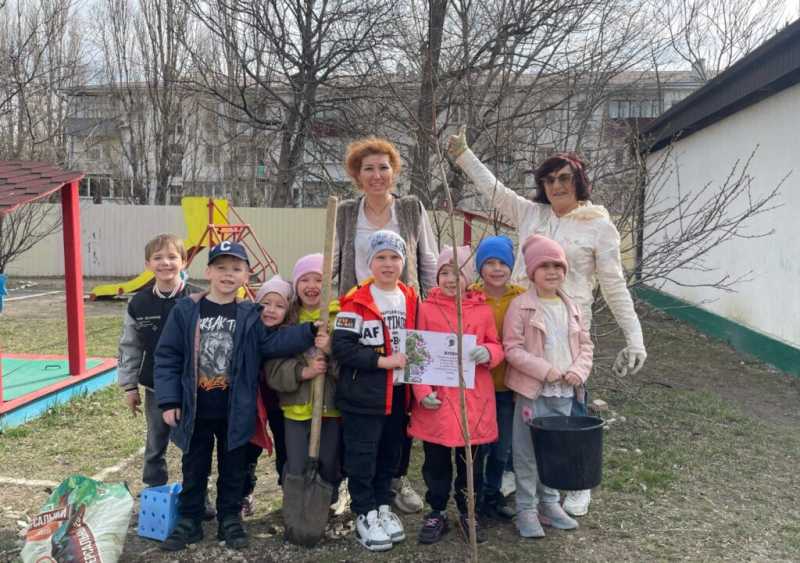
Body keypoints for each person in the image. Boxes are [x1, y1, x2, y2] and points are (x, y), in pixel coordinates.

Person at [448, 129, 647, 515]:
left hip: (568, 326)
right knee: (520, 396)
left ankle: (574, 480)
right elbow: (495, 191)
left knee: (569, 401)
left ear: (578, 181)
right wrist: (463, 154)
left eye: (564, 178)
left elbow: (613, 283)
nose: (556, 185)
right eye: (549, 179)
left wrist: (634, 337)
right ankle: (513, 471)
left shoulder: (597, 224)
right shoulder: (531, 213)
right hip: (523, 319)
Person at [154, 241, 323, 551]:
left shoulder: (249, 314)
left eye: (236, 269)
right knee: (195, 466)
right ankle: (189, 519)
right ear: (208, 271)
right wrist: (169, 401)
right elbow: (167, 356)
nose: (228, 274)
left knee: (234, 467)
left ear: (247, 276)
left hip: (235, 408)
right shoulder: (187, 309)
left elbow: (273, 343)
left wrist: (309, 330)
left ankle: (229, 518)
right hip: (195, 408)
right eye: (221, 267)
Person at [334, 136, 434, 514]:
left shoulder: (410, 208)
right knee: (362, 398)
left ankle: (395, 479)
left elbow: (426, 261)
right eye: (368, 168)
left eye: (383, 167)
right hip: (360, 317)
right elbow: (336, 263)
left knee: (401, 404)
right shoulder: (346, 212)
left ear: (394, 172)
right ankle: (356, 482)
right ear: (357, 175)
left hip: (403, 314)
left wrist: (431, 310)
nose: (377, 175)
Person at [408, 246, 503, 545]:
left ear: (469, 277)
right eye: (445, 273)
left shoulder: (482, 309)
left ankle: (468, 511)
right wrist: (422, 392)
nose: (451, 279)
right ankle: (436, 510)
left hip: (473, 402)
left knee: (471, 463)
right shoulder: (425, 308)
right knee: (435, 463)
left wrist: (488, 351)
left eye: (458, 273)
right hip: (437, 401)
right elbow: (416, 352)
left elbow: (497, 345)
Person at [332, 230, 418, 552]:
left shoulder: (410, 297)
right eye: (380, 257)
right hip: (363, 396)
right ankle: (364, 511)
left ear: (403, 262)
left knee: (390, 453)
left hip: (398, 395)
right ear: (370, 263)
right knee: (362, 454)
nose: (388, 263)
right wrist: (382, 362)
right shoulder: (356, 301)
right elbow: (341, 347)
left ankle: (383, 505)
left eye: (395, 257)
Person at [503, 235, 594, 538]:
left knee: (556, 450)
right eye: (544, 266)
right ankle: (526, 507)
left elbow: (585, 346)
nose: (552, 272)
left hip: (565, 393)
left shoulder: (573, 307)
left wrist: (578, 371)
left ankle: (550, 502)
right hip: (534, 393)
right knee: (528, 451)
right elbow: (512, 349)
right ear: (532, 272)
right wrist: (545, 371)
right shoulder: (521, 306)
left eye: (558, 265)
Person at [117, 235, 196, 492]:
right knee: (156, 440)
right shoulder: (138, 303)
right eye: (158, 257)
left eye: (172, 257)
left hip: (193, 385)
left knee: (195, 442)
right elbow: (130, 346)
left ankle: (196, 493)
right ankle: (154, 490)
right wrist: (129, 386)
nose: (165, 263)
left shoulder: (197, 298)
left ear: (184, 262)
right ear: (148, 264)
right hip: (155, 387)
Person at [265, 256, 342, 503]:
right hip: (295, 409)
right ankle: (296, 505)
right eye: (304, 279)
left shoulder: (340, 317)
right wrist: (302, 371)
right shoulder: (288, 319)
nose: (311, 285)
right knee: (296, 463)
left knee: (330, 460)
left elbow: (352, 367)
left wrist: (331, 352)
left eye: (319, 279)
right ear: (295, 284)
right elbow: (273, 369)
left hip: (330, 407)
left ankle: (326, 504)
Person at [468, 236, 525, 520]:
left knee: (502, 447)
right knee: (480, 446)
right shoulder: (469, 297)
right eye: (489, 262)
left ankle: (493, 496)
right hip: (478, 386)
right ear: (480, 267)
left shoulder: (522, 297)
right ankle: (474, 499)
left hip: (508, 386)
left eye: (502, 262)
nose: (496, 268)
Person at [240, 275, 293, 517]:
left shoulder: (289, 334)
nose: (271, 310)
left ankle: (289, 495)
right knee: (250, 448)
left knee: (286, 446)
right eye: (266, 303)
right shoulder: (248, 330)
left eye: (280, 305)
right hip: (254, 401)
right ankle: (244, 492)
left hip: (282, 402)